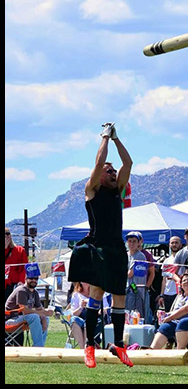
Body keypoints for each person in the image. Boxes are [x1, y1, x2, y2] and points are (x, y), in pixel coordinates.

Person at [67, 122, 133, 368]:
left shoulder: (118, 190)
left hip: (116, 248)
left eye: (113, 171)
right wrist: (105, 137)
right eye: (109, 170)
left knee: (119, 297)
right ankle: (90, 346)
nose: (113, 172)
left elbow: (128, 164)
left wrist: (117, 139)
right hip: (98, 247)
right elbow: (97, 164)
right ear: (98, 177)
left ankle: (118, 344)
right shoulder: (91, 190)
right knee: (96, 294)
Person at [150, 273, 188, 350]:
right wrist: (167, 315)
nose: (186, 282)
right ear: (181, 284)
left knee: (184, 322)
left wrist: (170, 317)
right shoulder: (181, 296)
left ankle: (179, 351)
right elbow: (176, 311)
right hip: (181, 322)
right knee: (165, 327)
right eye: (184, 280)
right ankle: (152, 350)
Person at [5, 274, 55, 347]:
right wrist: (42, 313)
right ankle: (38, 347)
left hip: (22, 320)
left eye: (36, 278)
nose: (34, 280)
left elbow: (40, 309)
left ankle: (41, 346)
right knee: (34, 317)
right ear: (26, 278)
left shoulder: (35, 292)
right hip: (10, 320)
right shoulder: (21, 290)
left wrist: (45, 315)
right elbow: (25, 311)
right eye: (31, 278)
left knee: (45, 318)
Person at [125, 231, 151, 322]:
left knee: (136, 316)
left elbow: (129, 274)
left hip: (136, 291)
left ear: (139, 243)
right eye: (129, 241)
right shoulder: (126, 254)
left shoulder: (140, 256)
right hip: (128, 290)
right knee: (127, 315)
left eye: (134, 241)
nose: (131, 243)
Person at [158, 236, 183, 314]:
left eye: (176, 242)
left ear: (181, 245)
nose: (174, 244)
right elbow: (164, 279)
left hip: (178, 293)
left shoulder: (183, 259)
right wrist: (161, 295)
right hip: (167, 293)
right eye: (172, 243)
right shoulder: (167, 260)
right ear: (169, 245)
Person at [5, 228, 28, 304]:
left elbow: (24, 267)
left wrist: (21, 281)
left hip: (14, 284)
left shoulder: (19, 250)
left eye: (8, 234)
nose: (6, 237)